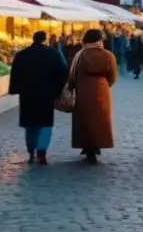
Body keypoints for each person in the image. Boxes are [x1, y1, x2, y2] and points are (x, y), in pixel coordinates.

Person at [9, 31, 69, 165]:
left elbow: (15, 75)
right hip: (46, 95)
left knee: (30, 125)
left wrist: (15, 89)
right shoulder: (53, 53)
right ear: (45, 39)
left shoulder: (22, 55)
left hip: (27, 95)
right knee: (45, 124)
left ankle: (31, 151)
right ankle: (42, 153)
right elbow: (63, 73)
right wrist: (57, 90)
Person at [68, 28, 118, 164]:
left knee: (83, 119)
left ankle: (86, 144)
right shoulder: (108, 55)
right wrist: (105, 85)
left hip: (82, 89)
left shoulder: (80, 55)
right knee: (100, 119)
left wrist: (72, 86)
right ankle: (97, 143)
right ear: (98, 40)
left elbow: (72, 75)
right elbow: (113, 77)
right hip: (101, 90)